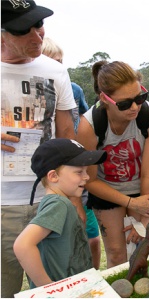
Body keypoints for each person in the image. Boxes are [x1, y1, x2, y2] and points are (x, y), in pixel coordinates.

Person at [1, 1, 76, 296]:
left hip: (51, 201)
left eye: (39, 25)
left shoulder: (55, 71)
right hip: (3, 208)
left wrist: (74, 200)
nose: (37, 37)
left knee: (56, 287)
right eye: (24, 30)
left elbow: (67, 135)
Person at [76, 60, 149, 268]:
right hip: (106, 190)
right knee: (116, 254)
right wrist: (130, 203)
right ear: (104, 99)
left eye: (140, 97)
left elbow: (148, 174)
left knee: (142, 247)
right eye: (125, 104)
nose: (135, 107)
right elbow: (90, 180)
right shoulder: (89, 126)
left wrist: (142, 221)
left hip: (141, 188)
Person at [13, 138, 107, 289]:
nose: (87, 177)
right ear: (53, 176)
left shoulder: (60, 202)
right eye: (79, 172)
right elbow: (22, 245)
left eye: (86, 171)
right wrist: (49, 288)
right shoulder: (58, 204)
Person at [41, 37, 101, 270]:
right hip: (53, 174)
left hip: (75, 171)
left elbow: (84, 120)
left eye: (61, 62)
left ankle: (94, 274)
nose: (58, 67)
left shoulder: (72, 89)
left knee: (90, 235)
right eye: (52, 61)